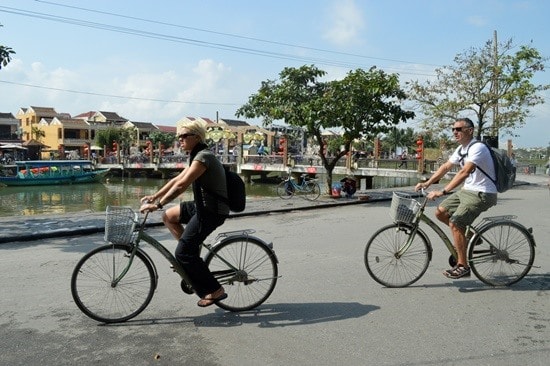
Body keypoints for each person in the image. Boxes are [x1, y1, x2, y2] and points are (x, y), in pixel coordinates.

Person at [140, 120, 229, 307]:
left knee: (182, 253)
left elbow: (182, 186)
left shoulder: (204, 157)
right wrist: (154, 196)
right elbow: (176, 179)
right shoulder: (196, 156)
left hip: (212, 211)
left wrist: (158, 205)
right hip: (201, 205)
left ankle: (215, 290)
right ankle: (190, 256)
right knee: (169, 216)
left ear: (196, 137)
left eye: (184, 136)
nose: (180, 139)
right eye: (179, 136)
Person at [414, 117, 497, 279]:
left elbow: (464, 172)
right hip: (468, 190)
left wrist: (443, 191)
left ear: (470, 131)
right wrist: (428, 183)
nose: (455, 132)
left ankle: (463, 266)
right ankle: (470, 237)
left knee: (456, 222)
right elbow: (446, 167)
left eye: (458, 129)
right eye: (453, 129)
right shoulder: (461, 149)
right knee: (440, 212)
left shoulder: (477, 148)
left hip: (483, 193)